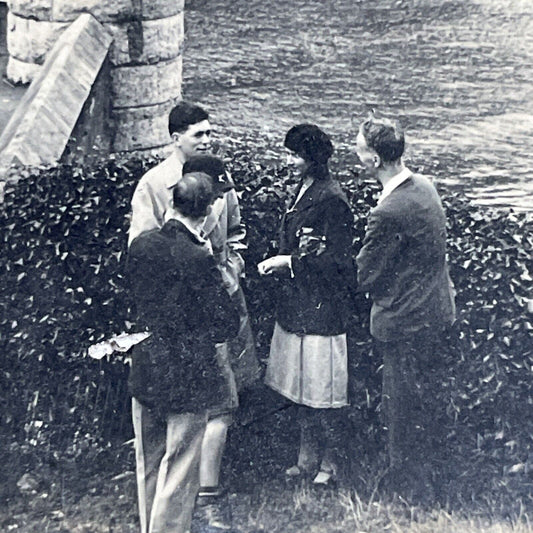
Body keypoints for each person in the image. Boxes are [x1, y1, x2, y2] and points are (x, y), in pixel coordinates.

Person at [128, 103, 258, 531]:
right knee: (179, 440)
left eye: (208, 133)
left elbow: (235, 237)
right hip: (187, 329)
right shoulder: (153, 184)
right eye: (197, 133)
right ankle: (173, 519)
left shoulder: (220, 178)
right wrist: (201, 269)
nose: (205, 139)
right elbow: (146, 249)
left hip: (199, 309)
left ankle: (200, 503)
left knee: (219, 408)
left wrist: (229, 271)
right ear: (174, 137)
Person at [354, 116, 456, 500]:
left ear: (374, 159)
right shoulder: (424, 187)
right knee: (424, 401)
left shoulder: (387, 211)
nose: (355, 150)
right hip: (435, 313)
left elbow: (365, 274)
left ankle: (405, 489)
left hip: (404, 321)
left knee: (399, 408)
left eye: (359, 146)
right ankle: (428, 484)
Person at [258, 124, 355, 485]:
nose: (289, 161)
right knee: (302, 390)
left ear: (311, 159)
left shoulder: (332, 199)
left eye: (295, 155)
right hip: (298, 307)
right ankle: (306, 458)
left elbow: (338, 261)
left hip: (322, 313)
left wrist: (289, 263)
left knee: (323, 393)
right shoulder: (304, 189)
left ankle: (330, 463)